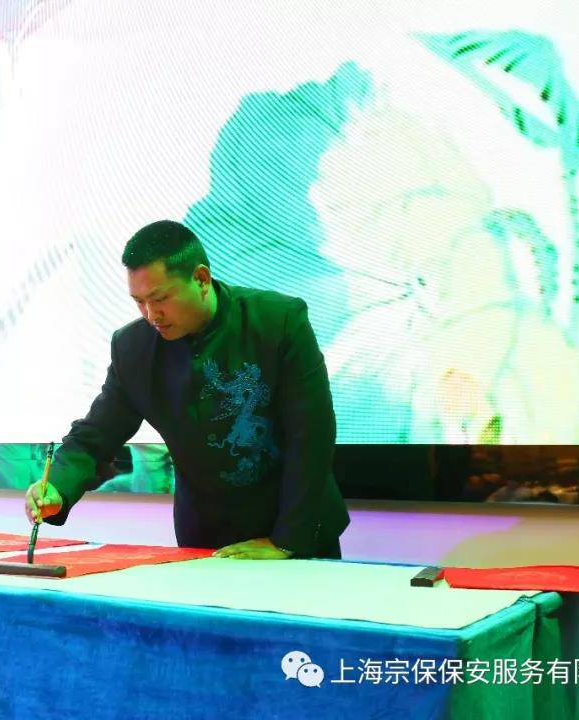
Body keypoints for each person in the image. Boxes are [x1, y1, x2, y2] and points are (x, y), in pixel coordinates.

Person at [24, 220, 349, 559]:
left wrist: (286, 542)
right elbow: (96, 434)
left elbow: (311, 436)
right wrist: (57, 486)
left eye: (160, 298)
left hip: (295, 531)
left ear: (202, 279)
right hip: (204, 537)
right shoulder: (133, 348)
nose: (151, 315)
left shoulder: (278, 322)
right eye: (139, 302)